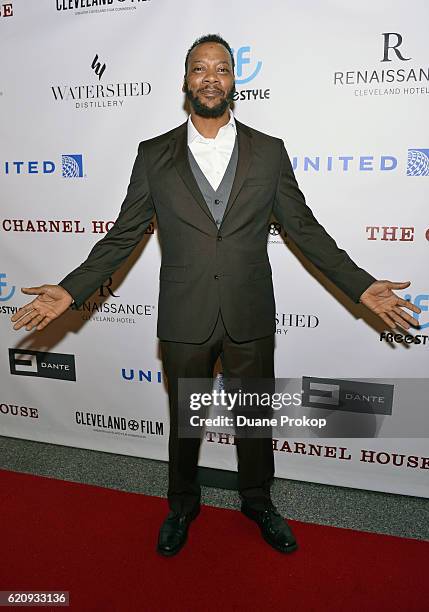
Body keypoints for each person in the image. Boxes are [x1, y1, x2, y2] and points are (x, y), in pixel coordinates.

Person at [10, 34, 421, 557]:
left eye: (221, 69)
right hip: (186, 313)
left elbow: (305, 229)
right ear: (185, 81)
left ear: (234, 80)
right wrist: (70, 291)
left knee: (254, 420)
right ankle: (181, 504)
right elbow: (123, 235)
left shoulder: (268, 152)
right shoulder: (153, 153)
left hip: (250, 310)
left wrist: (361, 286)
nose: (210, 78)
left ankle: (258, 502)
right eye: (199, 69)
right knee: (186, 419)